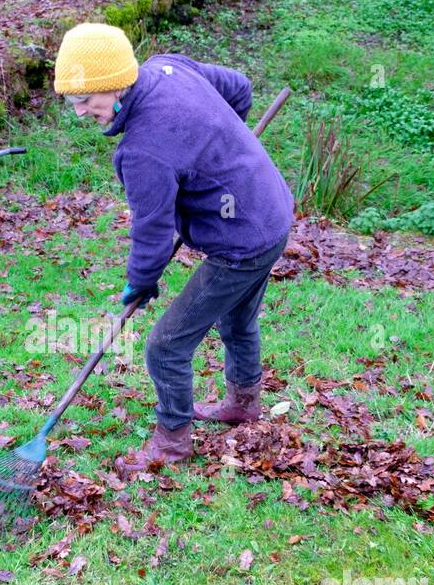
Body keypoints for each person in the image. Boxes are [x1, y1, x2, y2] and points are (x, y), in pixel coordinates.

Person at [53, 23, 294, 469]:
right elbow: (239, 90)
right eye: (73, 103)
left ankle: (173, 441)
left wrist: (139, 284)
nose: (81, 112)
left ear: (116, 83)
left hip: (241, 241)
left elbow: (153, 228)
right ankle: (244, 403)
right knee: (237, 319)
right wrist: (216, 149)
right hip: (273, 212)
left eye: (87, 100)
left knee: (165, 346)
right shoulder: (169, 67)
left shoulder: (142, 150)